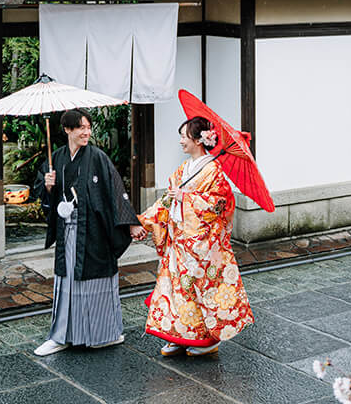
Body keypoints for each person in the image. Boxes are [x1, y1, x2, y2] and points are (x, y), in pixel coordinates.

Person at [32, 109, 146, 356]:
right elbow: (40, 189)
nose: (87, 132)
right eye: (81, 128)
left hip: (95, 232)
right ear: (67, 130)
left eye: (88, 127)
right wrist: (48, 186)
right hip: (67, 231)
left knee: (95, 280)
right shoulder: (56, 158)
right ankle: (61, 336)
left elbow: (116, 190)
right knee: (67, 282)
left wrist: (131, 223)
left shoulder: (97, 157)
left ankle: (105, 335)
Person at [138, 116, 253, 357]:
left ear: (199, 140)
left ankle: (207, 340)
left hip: (203, 245)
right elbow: (167, 200)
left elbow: (221, 204)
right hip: (179, 243)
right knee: (177, 290)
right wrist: (142, 221)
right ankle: (178, 335)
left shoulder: (213, 170)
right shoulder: (184, 169)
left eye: (184, 136)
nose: (181, 141)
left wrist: (187, 198)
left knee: (201, 291)